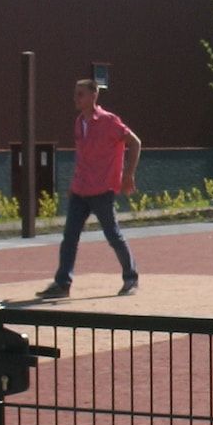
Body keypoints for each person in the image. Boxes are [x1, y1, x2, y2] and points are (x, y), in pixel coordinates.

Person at [35, 79, 141, 299]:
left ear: (94, 96)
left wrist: (128, 174)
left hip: (102, 190)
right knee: (69, 237)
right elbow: (82, 156)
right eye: (75, 94)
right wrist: (74, 185)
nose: (76, 98)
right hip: (80, 191)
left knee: (113, 235)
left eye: (80, 94)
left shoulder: (110, 121)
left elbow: (135, 143)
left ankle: (130, 277)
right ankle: (62, 284)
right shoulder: (78, 122)